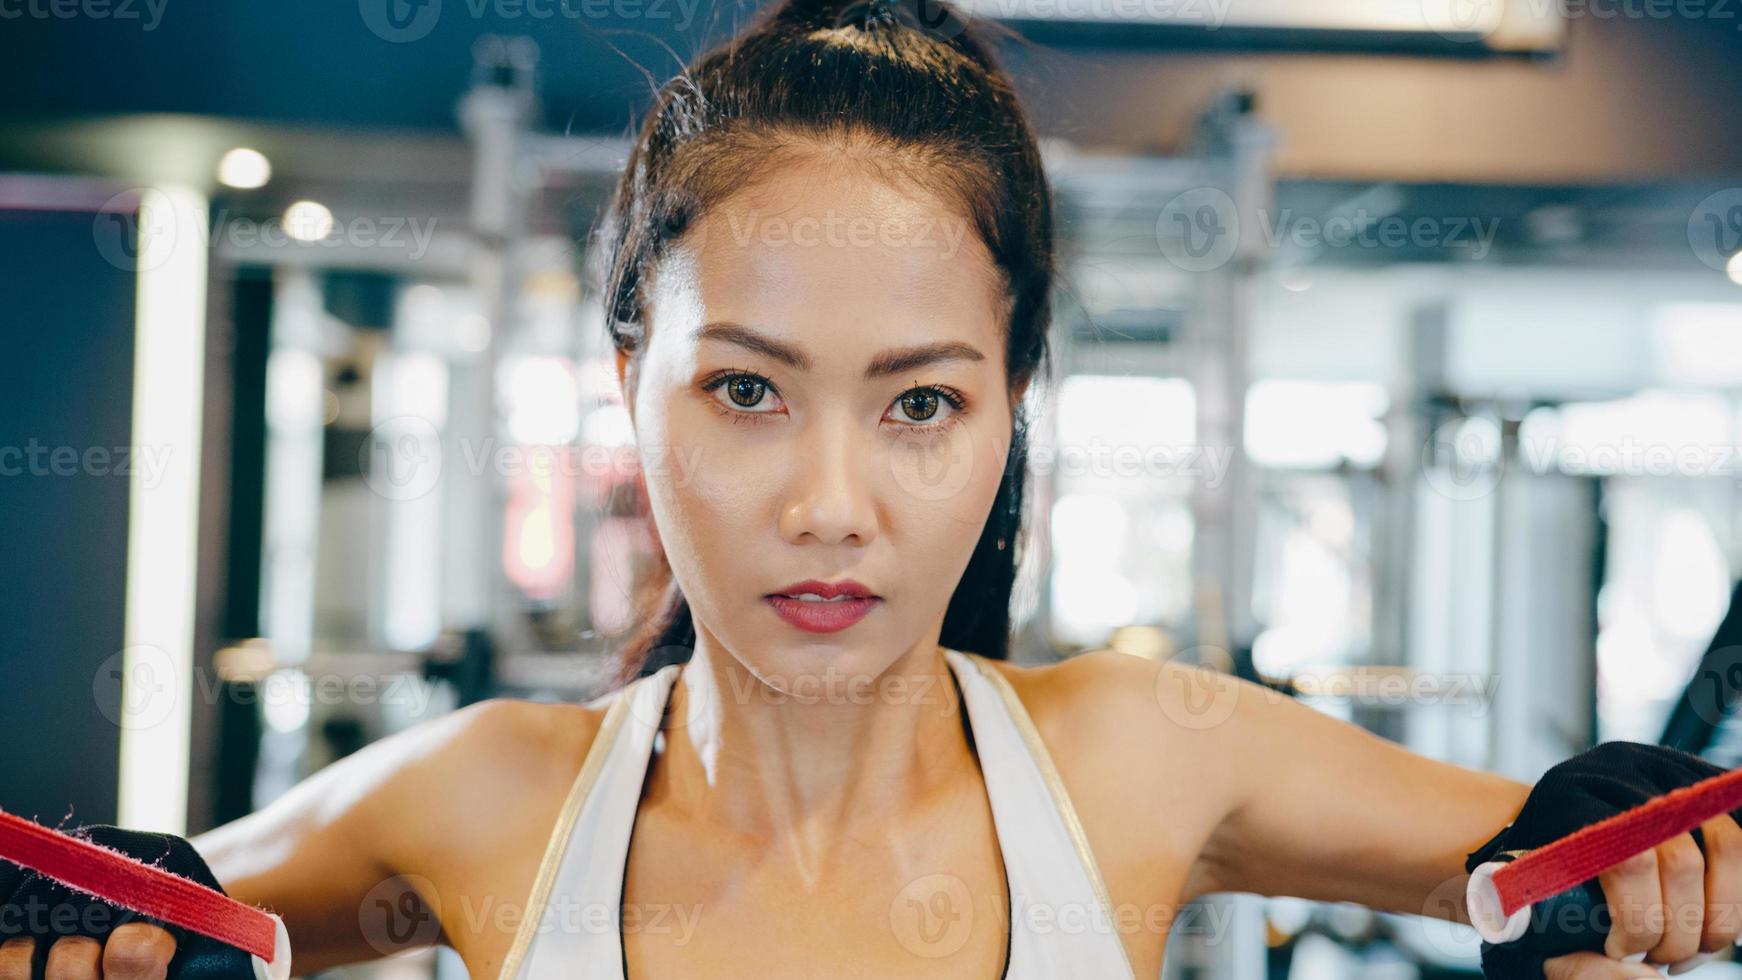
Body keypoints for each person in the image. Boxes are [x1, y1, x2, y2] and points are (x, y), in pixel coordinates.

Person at [1, 0, 1737, 976]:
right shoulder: (483, 795)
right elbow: (136, 911)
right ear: (631, 387)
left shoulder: (1139, 751)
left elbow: (1570, 855)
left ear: (1010, 413)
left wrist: (1643, 843)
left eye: (918, 404)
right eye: (745, 390)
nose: (829, 504)